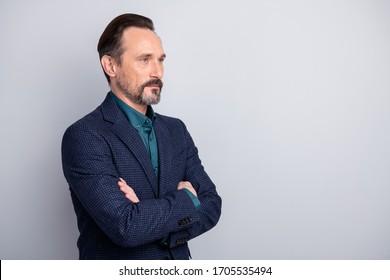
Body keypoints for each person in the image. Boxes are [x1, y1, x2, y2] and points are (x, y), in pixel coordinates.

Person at [61, 13, 222, 260]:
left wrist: (158, 224)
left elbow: (212, 205)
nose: (157, 71)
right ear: (111, 66)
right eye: (145, 60)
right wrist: (188, 199)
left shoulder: (176, 130)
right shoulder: (84, 136)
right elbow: (125, 226)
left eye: (160, 60)